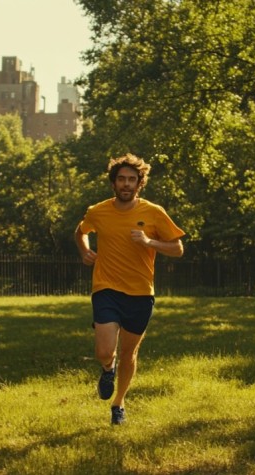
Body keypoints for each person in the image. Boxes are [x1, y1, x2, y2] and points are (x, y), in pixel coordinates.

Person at [74, 153, 185, 425]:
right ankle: (106, 368)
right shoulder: (98, 211)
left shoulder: (153, 212)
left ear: (139, 184)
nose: (126, 184)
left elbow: (178, 249)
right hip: (106, 288)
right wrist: (85, 250)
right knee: (105, 350)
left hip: (141, 293)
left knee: (128, 352)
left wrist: (149, 241)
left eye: (131, 180)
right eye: (121, 179)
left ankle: (118, 403)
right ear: (113, 183)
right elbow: (81, 230)